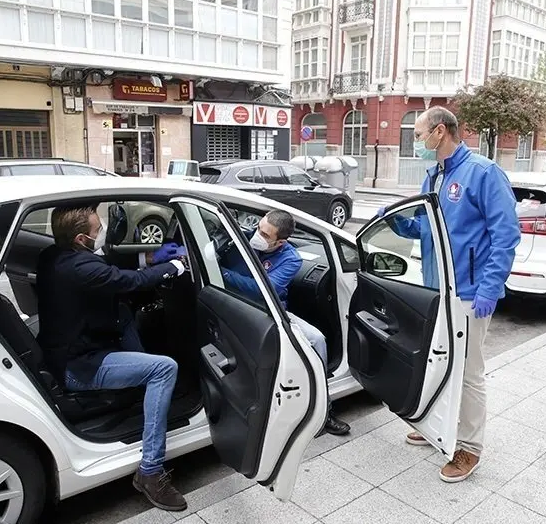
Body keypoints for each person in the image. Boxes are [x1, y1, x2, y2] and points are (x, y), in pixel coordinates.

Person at [378, 107, 520, 483]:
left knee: (470, 372)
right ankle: (439, 427)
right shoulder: (434, 175)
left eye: (420, 133)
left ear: (440, 132)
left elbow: (506, 236)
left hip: (471, 293)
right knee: (440, 362)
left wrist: (490, 287)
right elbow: (427, 232)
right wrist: (398, 222)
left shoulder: (484, 173)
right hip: (436, 290)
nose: (416, 140)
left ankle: (469, 448)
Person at [36, 204, 189, 511]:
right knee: (164, 368)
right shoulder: (80, 268)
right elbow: (127, 282)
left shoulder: (54, 256)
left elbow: (106, 265)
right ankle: (150, 470)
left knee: (126, 315)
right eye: (97, 229)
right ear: (81, 238)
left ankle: (143, 394)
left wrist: (148, 258)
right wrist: (173, 268)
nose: (101, 230)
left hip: (71, 345)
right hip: (78, 366)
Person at [220, 209, 351, 436]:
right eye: (259, 228)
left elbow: (262, 291)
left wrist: (222, 274)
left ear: (280, 241)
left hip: (270, 312)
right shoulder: (241, 238)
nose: (257, 235)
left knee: (317, 340)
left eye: (266, 235)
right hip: (234, 307)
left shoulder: (291, 258)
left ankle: (324, 411)